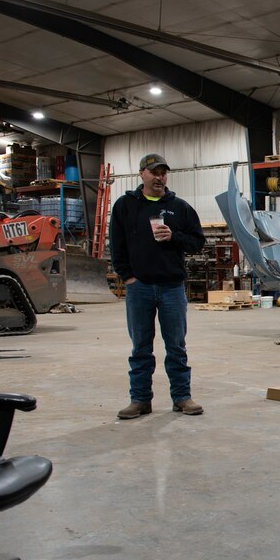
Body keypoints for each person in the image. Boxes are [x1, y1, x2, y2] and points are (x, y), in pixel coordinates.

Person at [110, 153, 206, 419]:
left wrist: (173, 236)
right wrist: (127, 276)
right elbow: (116, 245)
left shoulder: (180, 207)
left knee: (176, 345)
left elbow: (197, 242)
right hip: (139, 287)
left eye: (163, 172)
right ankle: (140, 400)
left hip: (171, 287)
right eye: (154, 172)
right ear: (142, 174)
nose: (159, 177)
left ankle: (182, 398)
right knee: (141, 346)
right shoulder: (125, 206)